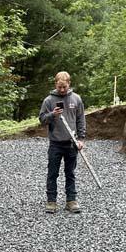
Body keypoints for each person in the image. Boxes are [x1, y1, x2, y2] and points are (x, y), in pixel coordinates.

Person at [39, 72, 86, 214]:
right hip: (55, 143)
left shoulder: (76, 99)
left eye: (64, 87)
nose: (62, 90)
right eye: (59, 87)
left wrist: (81, 139)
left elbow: (81, 120)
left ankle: (71, 200)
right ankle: (51, 201)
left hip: (71, 143)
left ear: (69, 84)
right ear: (55, 84)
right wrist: (53, 115)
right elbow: (42, 119)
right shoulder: (48, 101)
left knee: (70, 173)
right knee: (52, 173)